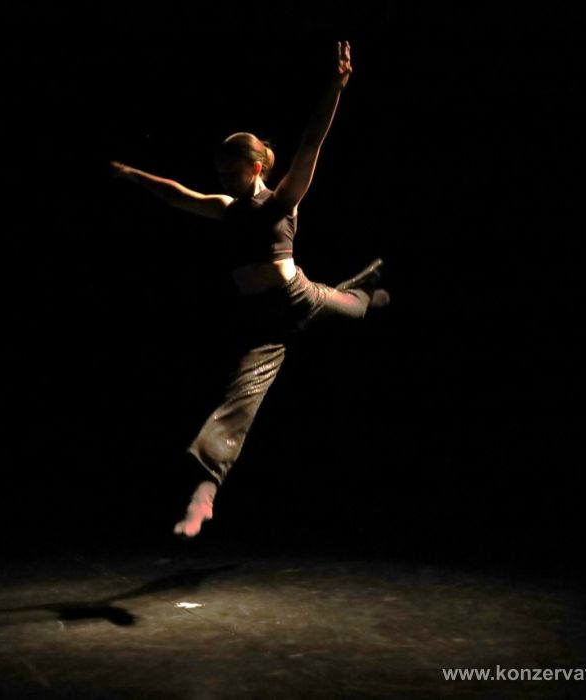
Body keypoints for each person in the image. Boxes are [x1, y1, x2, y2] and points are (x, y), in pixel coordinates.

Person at [110, 41, 388, 538]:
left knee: (357, 307)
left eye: (229, 168)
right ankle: (204, 494)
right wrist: (133, 175)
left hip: (302, 298)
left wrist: (335, 86)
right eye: (219, 169)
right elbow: (177, 194)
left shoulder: (283, 200)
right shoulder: (225, 209)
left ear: (256, 167)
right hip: (264, 324)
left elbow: (311, 142)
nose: (221, 176)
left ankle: (372, 293)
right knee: (237, 402)